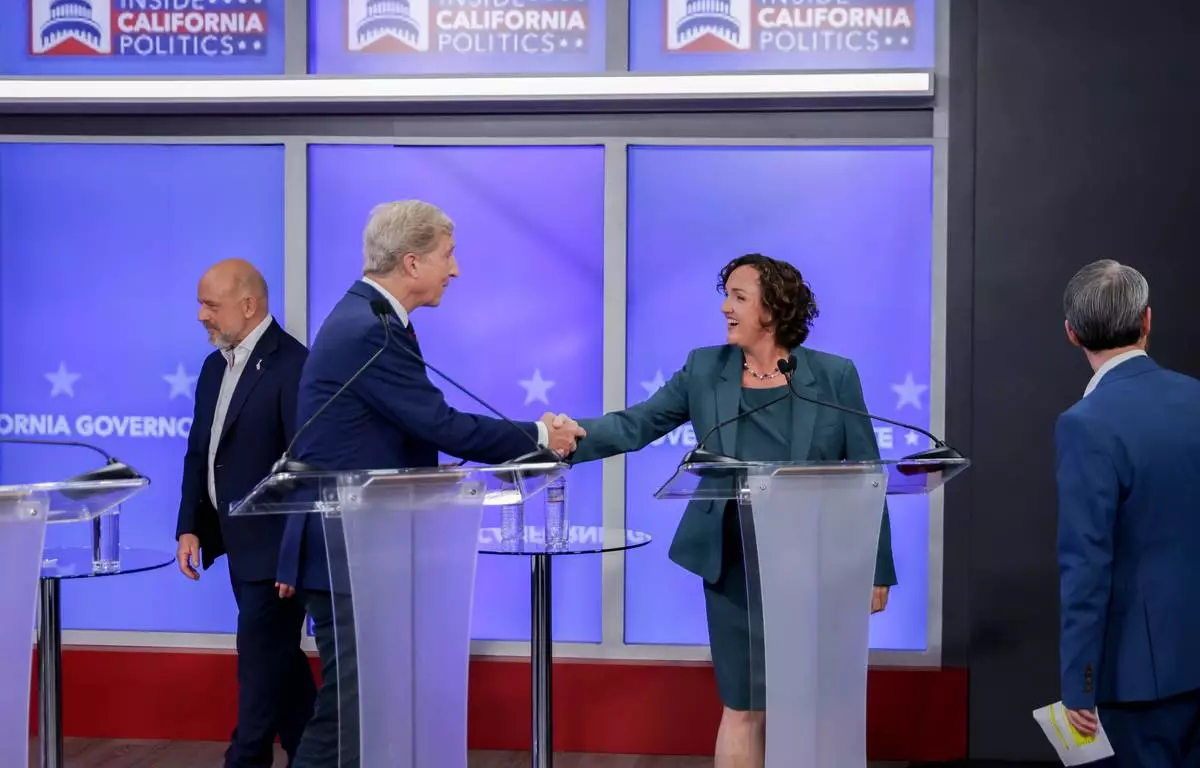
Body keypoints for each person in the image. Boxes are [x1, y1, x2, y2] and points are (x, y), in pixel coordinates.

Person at [551, 253, 895, 767]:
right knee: (743, 703)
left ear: (772, 308)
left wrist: (876, 569)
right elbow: (637, 424)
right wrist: (564, 437)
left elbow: (868, 476)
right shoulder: (704, 368)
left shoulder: (834, 376)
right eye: (726, 294)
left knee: (807, 704)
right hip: (732, 561)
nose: (724, 307)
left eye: (738, 296)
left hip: (815, 564)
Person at [275, 200, 584, 766]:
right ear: (412, 262)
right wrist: (541, 433)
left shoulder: (373, 318)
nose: (457, 269)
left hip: (362, 541)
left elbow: (380, 429)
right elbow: (439, 422)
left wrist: (418, 473)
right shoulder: (368, 328)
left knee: (367, 709)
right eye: (449, 255)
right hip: (345, 548)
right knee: (351, 713)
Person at [1056, 259, 1200, 767]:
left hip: (1137, 682)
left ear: (1072, 334)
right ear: (1147, 321)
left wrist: (1079, 683)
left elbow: (1087, 565)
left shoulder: (1086, 424)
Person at [175, 258, 315, 768]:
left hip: (275, 552)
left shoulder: (294, 366)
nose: (200, 317)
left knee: (258, 664)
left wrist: (295, 555)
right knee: (279, 659)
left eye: (210, 305)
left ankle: (246, 759)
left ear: (248, 305)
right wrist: (190, 526)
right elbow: (200, 452)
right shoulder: (216, 365)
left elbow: (305, 469)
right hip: (234, 544)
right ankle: (315, 753)